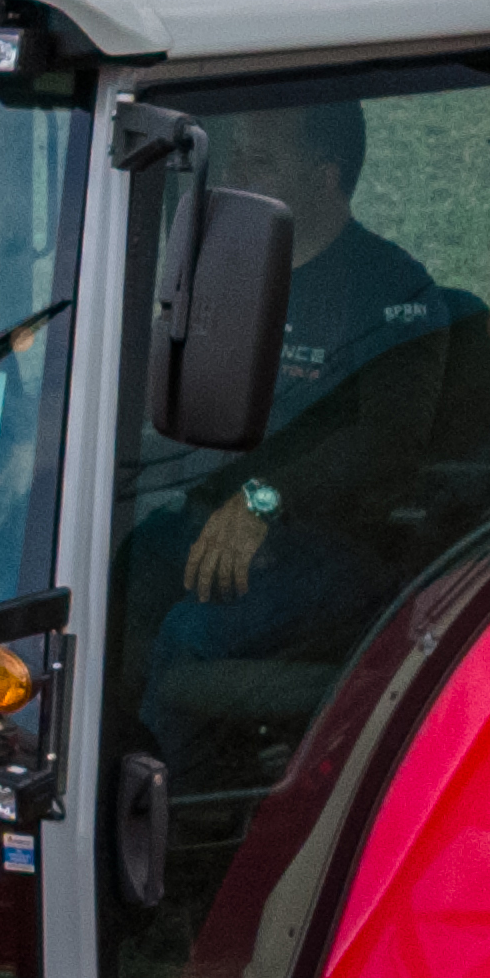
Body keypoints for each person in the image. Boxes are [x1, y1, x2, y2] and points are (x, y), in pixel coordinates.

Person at [176, 92, 457, 612]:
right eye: (233, 155)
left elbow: (386, 441)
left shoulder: (393, 289)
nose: (233, 174)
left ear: (324, 178)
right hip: (209, 511)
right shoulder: (227, 273)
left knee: (184, 637)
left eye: (258, 162)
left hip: (330, 538)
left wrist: (263, 499)